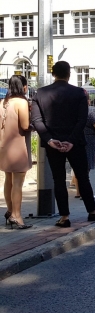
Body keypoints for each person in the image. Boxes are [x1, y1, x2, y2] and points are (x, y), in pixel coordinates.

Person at [31, 61, 95, 227]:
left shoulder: (40, 93)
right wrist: (71, 140)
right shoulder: (79, 93)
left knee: (58, 179)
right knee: (83, 177)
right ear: (69, 74)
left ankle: (64, 217)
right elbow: (82, 120)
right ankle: (92, 212)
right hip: (76, 143)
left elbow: (36, 120)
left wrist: (50, 140)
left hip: (53, 145)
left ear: (53, 74)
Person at [0, 76, 33, 229]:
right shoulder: (22, 102)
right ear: (24, 87)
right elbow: (25, 125)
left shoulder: (2, 102)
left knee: (8, 179)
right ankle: (17, 216)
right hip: (18, 146)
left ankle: (9, 210)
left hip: (4, 146)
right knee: (18, 183)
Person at [73, 89, 95, 199]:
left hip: (75, 141)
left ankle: (78, 192)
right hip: (88, 142)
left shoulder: (73, 113)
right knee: (86, 170)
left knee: (77, 168)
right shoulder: (90, 113)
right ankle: (85, 194)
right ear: (88, 101)